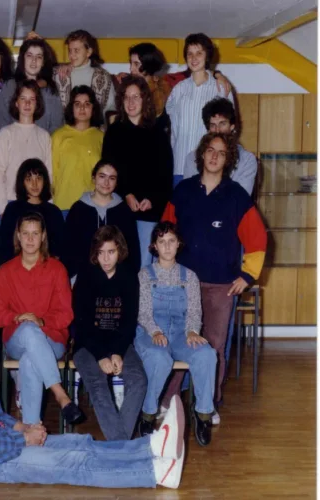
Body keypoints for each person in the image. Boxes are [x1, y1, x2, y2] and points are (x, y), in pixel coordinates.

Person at [0, 298, 186, 489]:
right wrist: (25, 439)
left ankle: (151, 448)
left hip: (1, 441)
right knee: (71, 462)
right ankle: (156, 473)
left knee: (79, 443)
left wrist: (24, 428)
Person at [162, 132, 267, 422]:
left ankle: (208, 405)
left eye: (221, 152)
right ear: (201, 154)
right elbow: (164, 231)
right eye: (210, 150)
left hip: (221, 285)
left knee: (214, 346)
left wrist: (247, 275)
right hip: (183, 284)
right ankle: (168, 400)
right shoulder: (183, 190)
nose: (214, 156)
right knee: (179, 343)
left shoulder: (236, 196)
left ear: (228, 159)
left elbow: (258, 238)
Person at [0, 212, 82, 426]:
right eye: (25, 233)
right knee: (28, 330)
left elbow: (66, 314)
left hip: (52, 340)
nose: (30, 239)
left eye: (35, 233)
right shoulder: (5, 272)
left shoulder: (57, 269)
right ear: (18, 236)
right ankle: (61, 394)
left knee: (30, 360)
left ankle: (32, 430)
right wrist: (17, 317)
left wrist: (42, 322)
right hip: (16, 340)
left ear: (43, 236)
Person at [134, 221, 217, 446]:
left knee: (206, 354)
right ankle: (148, 414)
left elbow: (194, 311)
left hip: (181, 332)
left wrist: (192, 331)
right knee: (159, 358)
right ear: (154, 246)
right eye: (162, 242)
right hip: (150, 332)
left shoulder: (189, 276)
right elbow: (143, 312)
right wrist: (155, 332)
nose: (167, 246)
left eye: (171, 241)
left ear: (179, 243)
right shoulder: (145, 275)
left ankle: (203, 415)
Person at [72, 225, 145, 441]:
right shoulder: (86, 276)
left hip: (119, 343)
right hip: (88, 345)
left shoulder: (128, 276)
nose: (105, 258)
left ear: (119, 251)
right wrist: (101, 355)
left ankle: (117, 445)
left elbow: (129, 321)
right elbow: (81, 325)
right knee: (98, 384)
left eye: (111, 252)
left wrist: (117, 352)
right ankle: (121, 446)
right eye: (101, 252)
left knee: (139, 380)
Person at [102, 75, 173, 267]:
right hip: (120, 207)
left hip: (149, 211)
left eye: (136, 97)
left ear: (145, 100)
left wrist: (152, 199)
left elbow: (165, 175)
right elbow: (108, 171)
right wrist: (126, 194)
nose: (131, 102)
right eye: (126, 97)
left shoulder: (158, 132)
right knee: (120, 263)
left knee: (143, 265)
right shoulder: (114, 132)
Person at [165, 33, 234, 187]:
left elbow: (229, 130)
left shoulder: (220, 88)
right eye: (190, 53)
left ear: (207, 56)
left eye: (199, 53)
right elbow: (171, 127)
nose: (194, 58)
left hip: (209, 169)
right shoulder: (178, 89)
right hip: (180, 166)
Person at [63, 160, 140, 280]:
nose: (106, 182)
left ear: (116, 182)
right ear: (94, 178)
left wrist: (125, 276)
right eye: (102, 176)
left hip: (117, 278)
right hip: (83, 278)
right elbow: (68, 248)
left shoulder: (124, 211)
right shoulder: (78, 209)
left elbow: (133, 250)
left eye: (112, 178)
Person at [125, 42, 231, 120]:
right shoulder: (126, 85)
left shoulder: (164, 84)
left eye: (136, 64)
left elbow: (193, 73)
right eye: (131, 63)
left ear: (148, 64)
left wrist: (217, 74)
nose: (131, 69)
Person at [0, 79, 52, 214]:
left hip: (37, 204)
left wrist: (48, 204)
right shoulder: (6, 133)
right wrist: (3, 207)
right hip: (11, 202)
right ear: (16, 103)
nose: (27, 103)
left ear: (37, 104)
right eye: (23, 99)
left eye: (32, 99)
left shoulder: (44, 136)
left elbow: (49, 174)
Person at [183, 97, 257, 195]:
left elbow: (240, 199)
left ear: (232, 126)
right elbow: (189, 195)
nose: (218, 130)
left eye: (222, 124)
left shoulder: (247, 160)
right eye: (213, 125)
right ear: (208, 129)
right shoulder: (192, 158)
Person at [0, 159, 65, 264]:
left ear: (45, 181)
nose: (35, 184)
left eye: (38, 178)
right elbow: (5, 248)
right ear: (22, 182)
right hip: (17, 267)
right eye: (29, 179)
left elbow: (60, 249)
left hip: (47, 267)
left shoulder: (54, 212)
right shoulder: (12, 209)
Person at [51, 85, 104, 213]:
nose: (82, 108)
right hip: (63, 205)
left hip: (93, 206)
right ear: (71, 108)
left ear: (93, 108)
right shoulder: (58, 136)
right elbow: (52, 174)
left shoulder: (101, 137)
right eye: (77, 104)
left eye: (87, 104)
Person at [0, 38, 64, 134]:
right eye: (29, 55)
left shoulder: (50, 89)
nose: (34, 61)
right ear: (23, 59)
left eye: (39, 57)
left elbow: (57, 124)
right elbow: (2, 122)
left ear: (43, 62)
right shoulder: (10, 86)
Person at [53, 30, 115, 118]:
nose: (72, 55)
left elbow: (111, 108)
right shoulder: (59, 73)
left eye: (76, 50)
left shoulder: (103, 76)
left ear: (88, 52)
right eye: (70, 50)